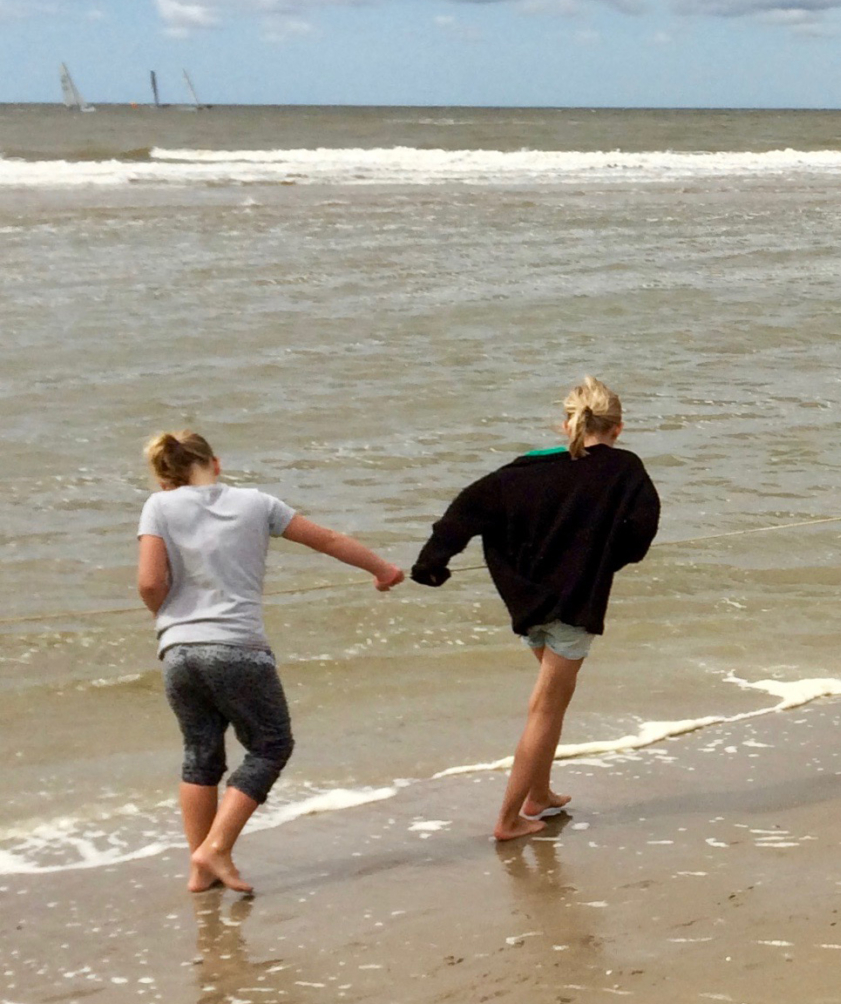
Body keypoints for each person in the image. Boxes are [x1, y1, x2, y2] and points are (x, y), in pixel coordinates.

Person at [136, 430, 404, 893]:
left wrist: (168, 617)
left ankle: (200, 869)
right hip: (238, 649)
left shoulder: (158, 507)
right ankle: (216, 848)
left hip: (178, 652)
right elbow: (327, 539)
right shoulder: (256, 502)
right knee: (271, 745)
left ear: (166, 476)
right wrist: (382, 570)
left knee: (200, 756)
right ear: (215, 464)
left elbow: (149, 582)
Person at [413, 378, 660, 838]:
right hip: (573, 605)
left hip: (527, 603)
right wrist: (604, 559)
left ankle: (539, 794)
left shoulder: (521, 471)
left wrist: (433, 563)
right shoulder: (624, 469)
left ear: (567, 422)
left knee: (550, 701)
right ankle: (508, 820)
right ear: (619, 428)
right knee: (546, 709)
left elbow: (465, 511)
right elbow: (641, 532)